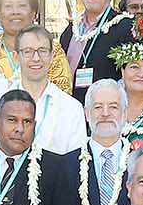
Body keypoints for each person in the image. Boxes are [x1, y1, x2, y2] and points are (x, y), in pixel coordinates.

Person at [7, 24, 86, 154]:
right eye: (28, 51)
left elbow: (76, 160)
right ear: (16, 57)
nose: (36, 58)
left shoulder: (71, 108)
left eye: (42, 51)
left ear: (52, 56)